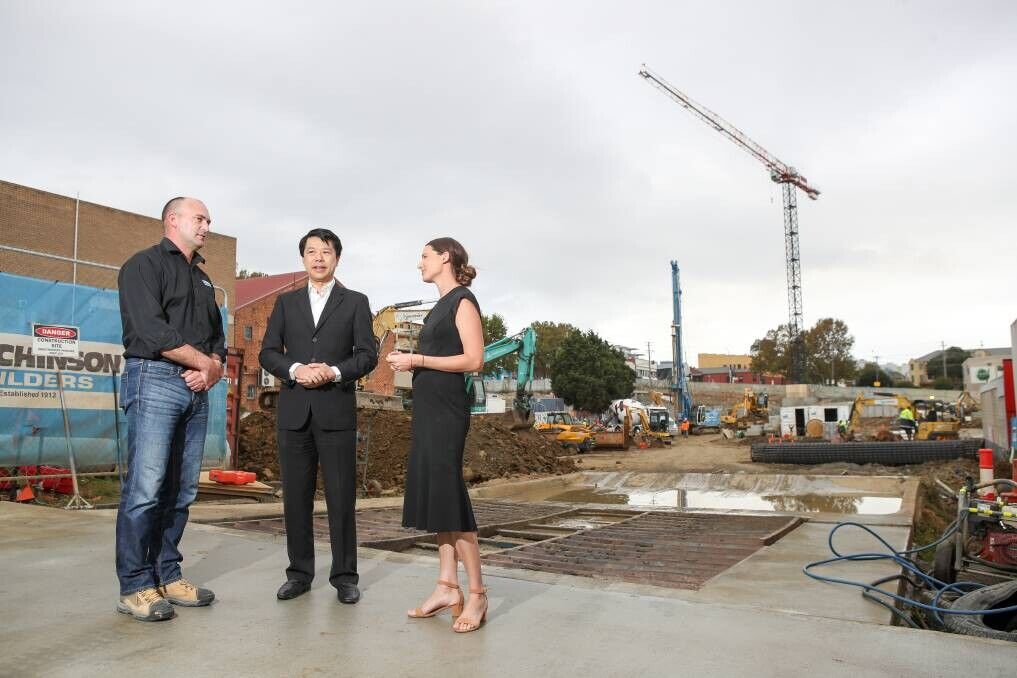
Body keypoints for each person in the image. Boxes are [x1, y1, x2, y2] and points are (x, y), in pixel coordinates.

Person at [115, 197, 225, 622]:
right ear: (172, 220)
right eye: (200, 218)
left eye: (209, 220)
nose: (207, 225)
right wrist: (204, 362)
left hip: (195, 388)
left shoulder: (201, 279)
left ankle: (167, 573)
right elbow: (150, 329)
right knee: (145, 489)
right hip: (154, 378)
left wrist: (210, 368)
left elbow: (216, 338)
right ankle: (135, 585)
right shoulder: (143, 266)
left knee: (182, 490)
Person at [259, 228, 378, 604]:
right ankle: (299, 574)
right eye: (311, 252)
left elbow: (367, 355)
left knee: (341, 498)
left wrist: (334, 371)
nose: (318, 258)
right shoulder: (285, 303)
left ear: (336, 258)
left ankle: (344, 576)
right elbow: (267, 352)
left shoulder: (356, 302)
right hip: (294, 413)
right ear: (303, 259)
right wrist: (295, 369)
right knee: (296, 497)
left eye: (325, 252)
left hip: (335, 412)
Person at [387, 237, 488, 633]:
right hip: (429, 412)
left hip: (447, 413)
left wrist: (417, 359)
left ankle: (477, 593)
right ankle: (447, 586)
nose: (419, 264)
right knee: (438, 500)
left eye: (424, 256)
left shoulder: (463, 301)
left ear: (445, 257)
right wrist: (413, 364)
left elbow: (474, 359)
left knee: (450, 497)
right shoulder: (439, 306)